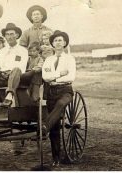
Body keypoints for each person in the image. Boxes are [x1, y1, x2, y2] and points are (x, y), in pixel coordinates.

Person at [41, 30, 76, 166]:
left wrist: (54, 76)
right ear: (52, 44)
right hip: (51, 91)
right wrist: (59, 74)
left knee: (61, 104)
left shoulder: (70, 59)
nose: (58, 42)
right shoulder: (49, 60)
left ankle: (45, 125)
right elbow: (45, 77)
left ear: (65, 43)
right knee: (55, 127)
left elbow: (70, 77)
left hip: (65, 90)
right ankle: (56, 158)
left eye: (60, 40)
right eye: (55, 40)